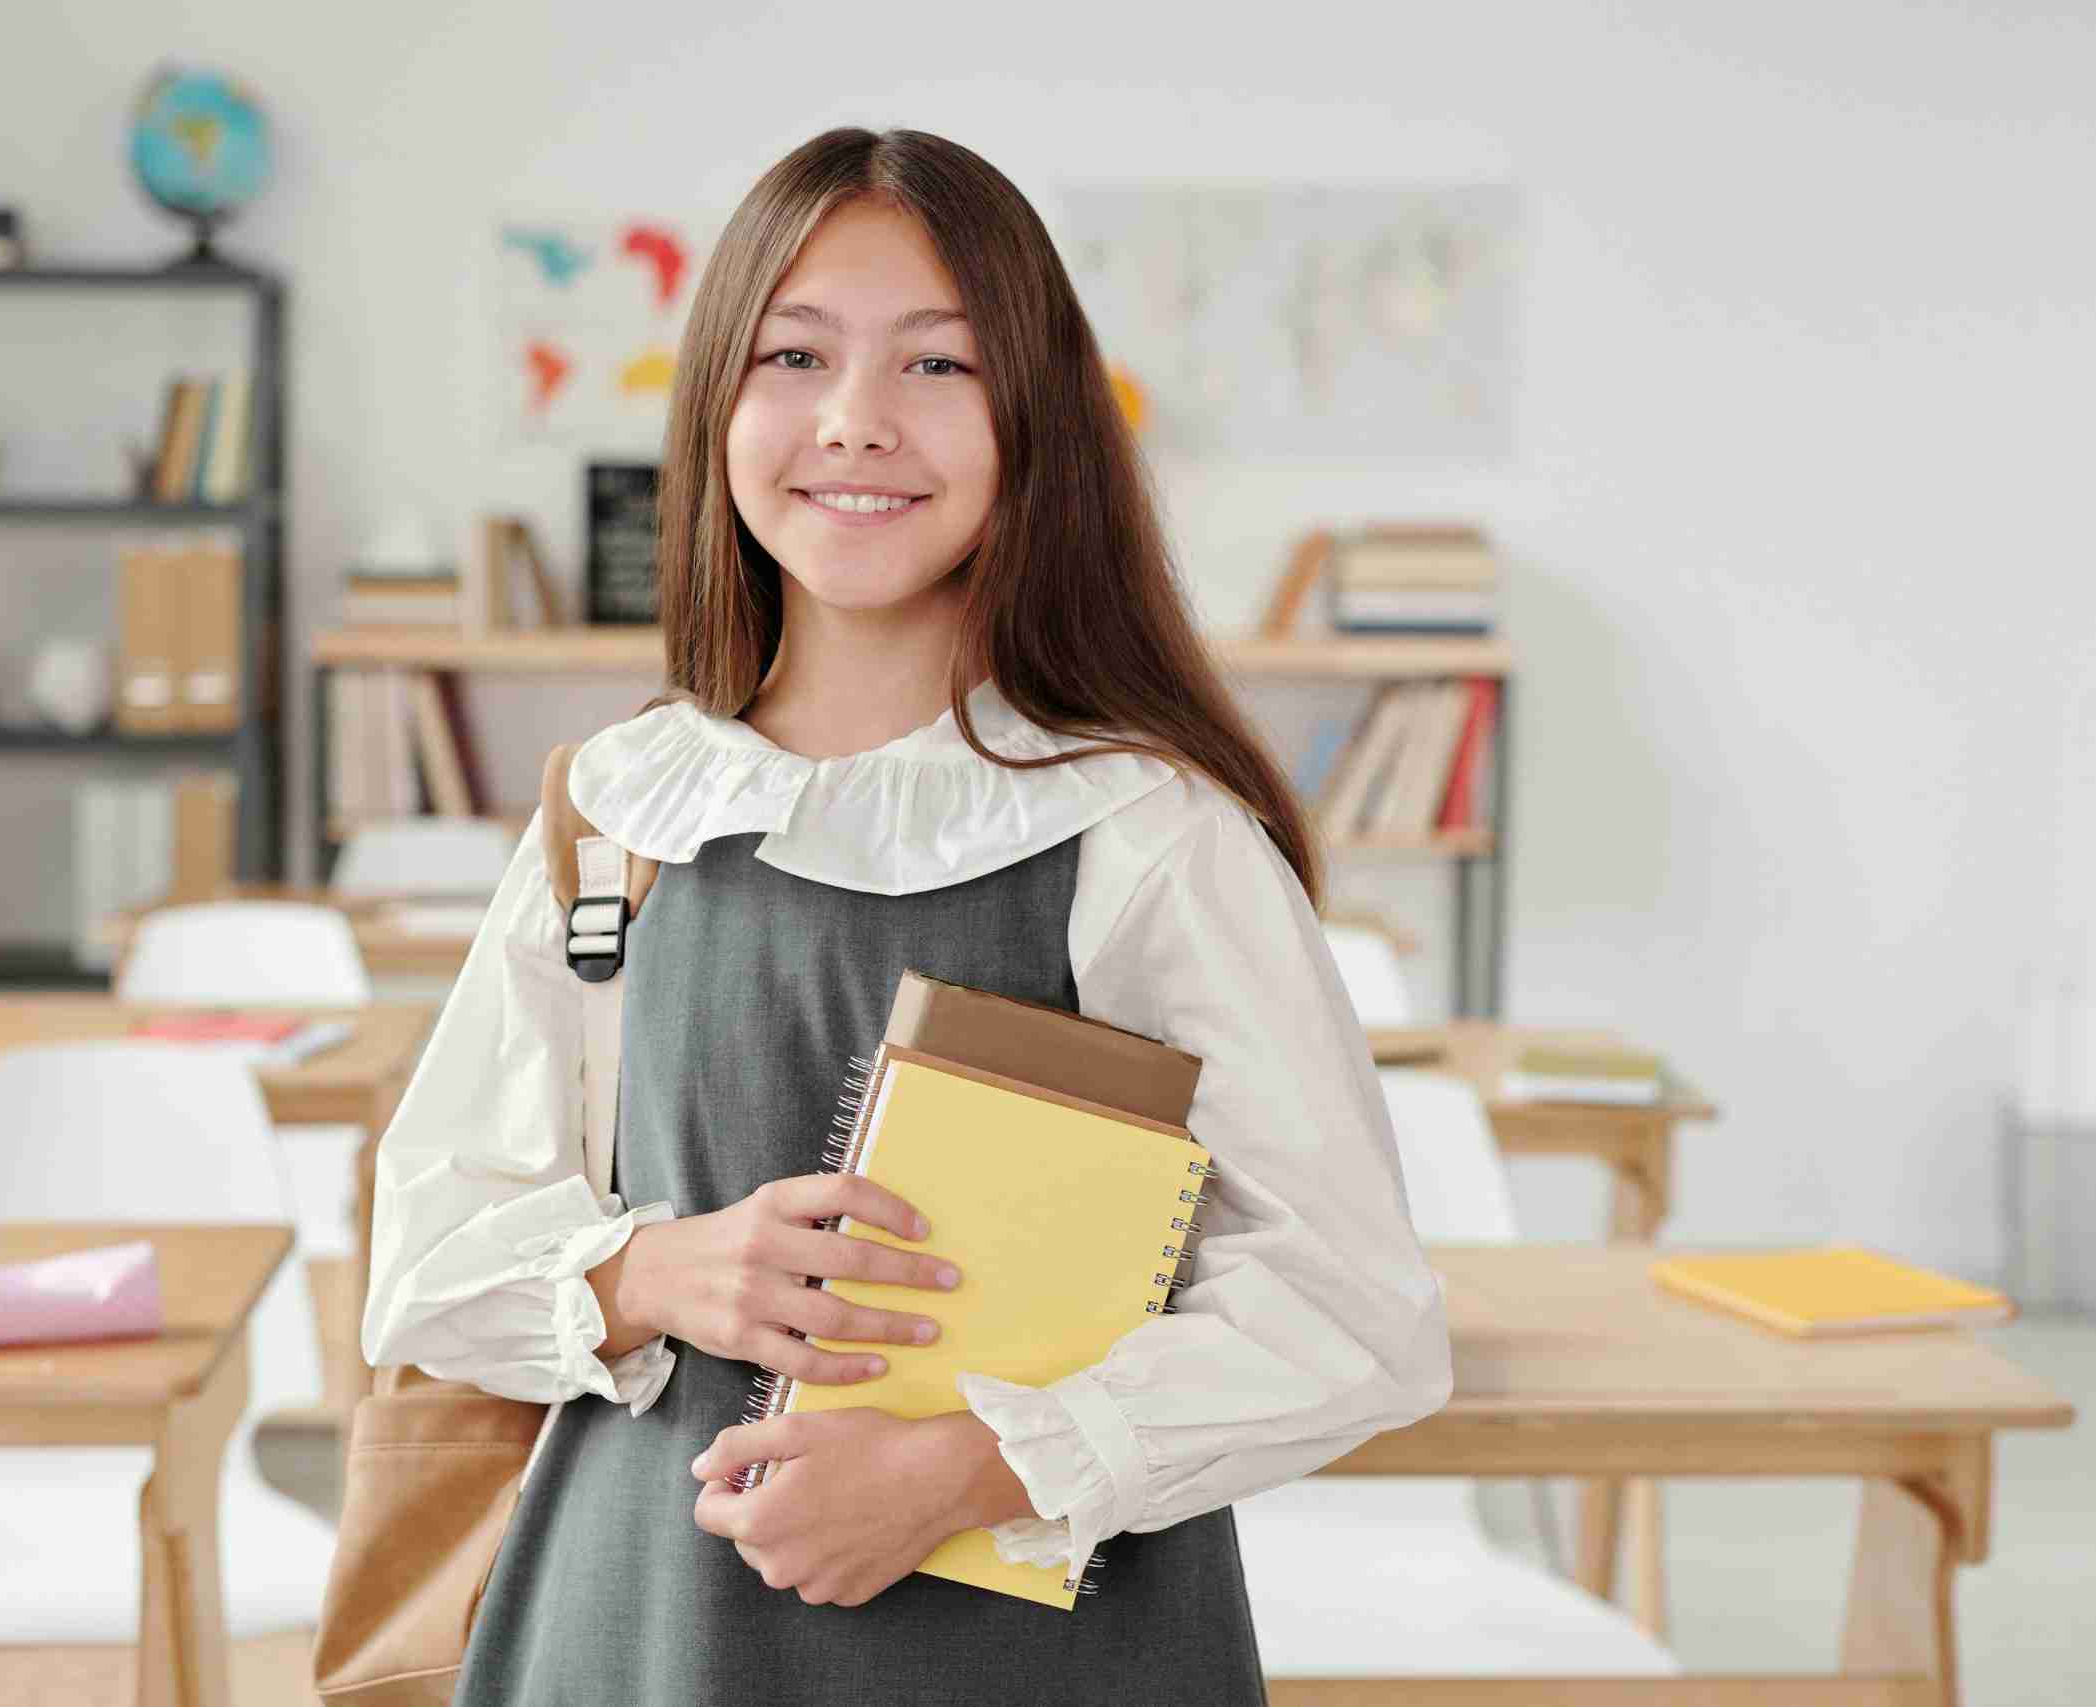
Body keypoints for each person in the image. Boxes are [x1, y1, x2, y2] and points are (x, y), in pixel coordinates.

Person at [361, 125, 1453, 1706]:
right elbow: (426, 1259)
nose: (856, 423)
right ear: (717, 404)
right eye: (794, 354)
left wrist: (965, 1467)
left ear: (1034, 424)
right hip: (642, 1630)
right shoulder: (617, 809)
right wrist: (654, 1274)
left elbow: (1356, 1314)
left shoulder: (1148, 835)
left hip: (1045, 1653)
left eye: (937, 367)